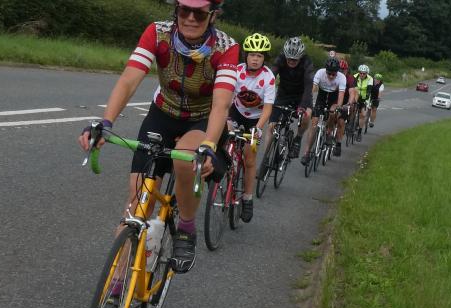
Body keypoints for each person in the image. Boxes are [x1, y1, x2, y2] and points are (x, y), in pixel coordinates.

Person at [78, 0, 239, 274]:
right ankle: (115, 289)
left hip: (202, 118)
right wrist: (106, 122)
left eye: (198, 13)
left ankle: (186, 229)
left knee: (186, 160)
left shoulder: (226, 47)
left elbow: (222, 104)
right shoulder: (158, 32)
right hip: (163, 113)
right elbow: (129, 79)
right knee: (138, 200)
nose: (189, 18)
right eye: (183, 10)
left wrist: (210, 145)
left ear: (213, 15)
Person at [229, 33, 275, 222]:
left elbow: (268, 107)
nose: (255, 59)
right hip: (236, 112)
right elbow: (228, 95)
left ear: (264, 58)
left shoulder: (269, 77)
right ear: (246, 56)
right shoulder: (236, 71)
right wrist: (226, 118)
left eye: (260, 56)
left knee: (249, 159)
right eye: (252, 55)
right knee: (221, 139)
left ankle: (247, 198)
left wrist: (258, 128)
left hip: (255, 119)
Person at [264, 36, 314, 159]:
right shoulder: (280, 59)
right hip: (283, 94)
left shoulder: (307, 63)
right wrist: (264, 97)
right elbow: (270, 77)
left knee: (307, 115)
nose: (291, 61)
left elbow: (309, 86)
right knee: (271, 126)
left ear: (300, 57)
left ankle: (298, 138)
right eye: (289, 59)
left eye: (295, 60)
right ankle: (265, 158)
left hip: (301, 96)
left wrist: (303, 106)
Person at [301, 57, 346, 164]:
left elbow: (341, 95)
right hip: (321, 98)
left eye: (333, 74)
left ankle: (329, 133)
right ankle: (306, 153)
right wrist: (308, 100)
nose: (331, 76)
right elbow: (314, 87)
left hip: (333, 99)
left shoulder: (341, 77)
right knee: (314, 124)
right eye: (329, 73)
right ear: (325, 70)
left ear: (337, 72)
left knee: (332, 112)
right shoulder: (320, 73)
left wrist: (338, 106)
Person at [353, 64, 373, 142]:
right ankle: (350, 123)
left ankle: (359, 132)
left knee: (363, 115)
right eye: (360, 73)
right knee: (351, 109)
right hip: (356, 95)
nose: (362, 74)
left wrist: (366, 99)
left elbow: (369, 91)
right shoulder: (355, 76)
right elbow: (353, 87)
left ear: (366, 73)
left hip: (365, 98)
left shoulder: (370, 79)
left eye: (364, 73)